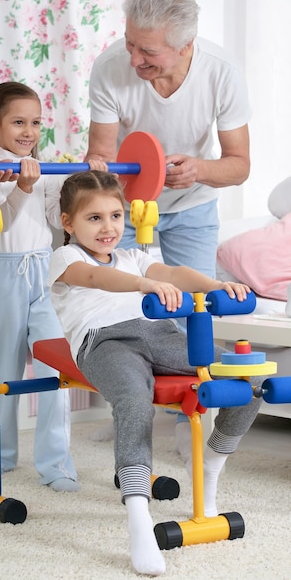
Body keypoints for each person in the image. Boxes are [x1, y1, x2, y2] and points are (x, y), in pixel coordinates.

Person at [48, 170, 263, 576]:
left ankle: (210, 463)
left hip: (158, 331)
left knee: (247, 381)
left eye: (115, 216)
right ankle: (137, 517)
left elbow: (176, 274)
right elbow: (96, 277)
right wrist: (143, 285)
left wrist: (216, 284)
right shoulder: (66, 258)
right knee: (133, 400)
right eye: (94, 218)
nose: (108, 227)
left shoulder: (134, 256)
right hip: (104, 341)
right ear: (68, 222)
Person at [0, 82, 106, 491]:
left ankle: (56, 465)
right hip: (4, 274)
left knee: (57, 369)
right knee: (7, 371)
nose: (28, 131)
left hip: (44, 275)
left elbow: (57, 219)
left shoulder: (41, 167)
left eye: (35, 122)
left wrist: (80, 180)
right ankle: (2, 454)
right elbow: (2, 223)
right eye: (18, 122)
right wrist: (22, 186)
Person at [85, 0, 251, 278]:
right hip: (120, 207)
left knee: (193, 306)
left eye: (147, 51)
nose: (134, 60)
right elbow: (100, 156)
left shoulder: (222, 73)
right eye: (129, 43)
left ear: (185, 46)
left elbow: (239, 166)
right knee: (120, 311)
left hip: (192, 206)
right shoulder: (109, 68)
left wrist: (197, 170)